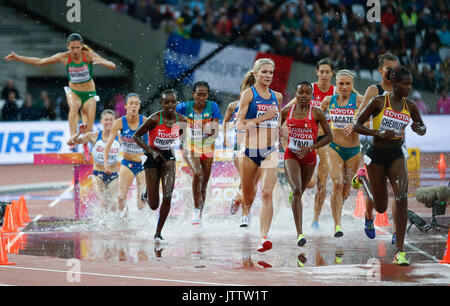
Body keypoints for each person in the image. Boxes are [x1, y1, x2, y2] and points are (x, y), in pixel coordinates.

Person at [353, 65, 426, 266]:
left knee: (402, 196)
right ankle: (362, 178)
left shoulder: (410, 106)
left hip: (396, 154)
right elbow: (357, 125)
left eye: (411, 84)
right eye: (405, 84)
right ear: (393, 83)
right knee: (381, 207)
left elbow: (422, 128)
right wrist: (376, 133)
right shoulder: (378, 102)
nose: (409, 88)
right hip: (376, 155)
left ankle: (399, 252)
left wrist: (418, 127)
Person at [4, 33, 116, 143]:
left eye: (77, 48)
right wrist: (19, 58)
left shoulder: (88, 56)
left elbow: (113, 66)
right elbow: (40, 61)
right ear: (68, 46)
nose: (75, 51)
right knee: (74, 106)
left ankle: (86, 144)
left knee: (88, 130)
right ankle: (73, 137)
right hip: (74, 92)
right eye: (72, 48)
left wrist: (103, 62)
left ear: (81, 46)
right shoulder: (64, 57)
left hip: (89, 93)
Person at [236, 58, 282, 252]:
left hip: (270, 151)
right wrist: (263, 117)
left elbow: (277, 121)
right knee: (249, 197)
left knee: (266, 193)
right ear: (256, 74)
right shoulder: (249, 94)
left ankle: (264, 237)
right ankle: (239, 198)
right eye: (264, 72)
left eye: (271, 72)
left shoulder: (277, 97)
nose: (268, 76)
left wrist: (283, 130)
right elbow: (239, 124)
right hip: (249, 152)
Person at [284, 58, 336, 231]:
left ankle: (315, 219)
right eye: (321, 71)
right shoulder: (308, 89)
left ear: (332, 74)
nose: (324, 75)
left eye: (327, 72)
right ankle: (297, 192)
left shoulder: (337, 91)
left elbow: (358, 99)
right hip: (304, 140)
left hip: (322, 142)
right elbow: (290, 108)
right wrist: (283, 128)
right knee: (310, 183)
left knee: (323, 180)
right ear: (317, 72)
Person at [280, 81, 332, 247]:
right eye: (300, 92)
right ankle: (300, 234)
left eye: (307, 93)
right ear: (295, 94)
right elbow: (279, 129)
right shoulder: (286, 111)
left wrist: (311, 147)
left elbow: (329, 137)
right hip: (291, 154)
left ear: (311, 95)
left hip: (309, 156)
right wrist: (281, 145)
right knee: (296, 190)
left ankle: (295, 198)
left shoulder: (316, 113)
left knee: (302, 190)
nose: (303, 96)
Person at [132, 89, 187, 244]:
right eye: (166, 102)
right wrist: (151, 151)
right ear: (161, 104)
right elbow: (135, 136)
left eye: (173, 102)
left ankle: (158, 233)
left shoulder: (181, 119)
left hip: (168, 157)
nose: (170, 105)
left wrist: (183, 145)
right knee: (154, 205)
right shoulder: (154, 119)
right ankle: (147, 192)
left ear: (177, 103)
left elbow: (182, 138)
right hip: (152, 157)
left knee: (168, 195)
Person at [358, 52, 400, 244]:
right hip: (375, 146)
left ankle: (396, 231)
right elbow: (359, 120)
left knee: (400, 192)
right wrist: (378, 125)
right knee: (376, 195)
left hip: (397, 147)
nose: (393, 73)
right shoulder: (373, 91)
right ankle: (368, 216)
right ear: (380, 70)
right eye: (388, 69)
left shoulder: (401, 89)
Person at [321, 70, 363, 238]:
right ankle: (337, 224)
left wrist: (355, 124)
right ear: (336, 85)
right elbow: (317, 116)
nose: (344, 87)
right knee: (337, 183)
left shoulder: (359, 101)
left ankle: (339, 205)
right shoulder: (328, 100)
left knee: (346, 189)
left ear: (352, 85)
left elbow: (370, 120)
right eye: (341, 84)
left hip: (353, 151)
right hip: (334, 148)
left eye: (347, 84)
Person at [176, 81, 221, 226]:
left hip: (208, 148)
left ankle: (199, 216)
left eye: (204, 95)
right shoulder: (184, 107)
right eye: (198, 94)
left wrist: (204, 128)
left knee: (204, 184)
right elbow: (169, 114)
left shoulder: (213, 106)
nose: (201, 98)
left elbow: (214, 132)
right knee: (198, 173)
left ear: (208, 95)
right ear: (193, 94)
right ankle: (195, 210)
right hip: (190, 148)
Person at [67, 110, 121, 213]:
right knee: (102, 202)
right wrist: (79, 133)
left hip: (113, 175)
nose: (108, 122)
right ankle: (101, 225)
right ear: (101, 121)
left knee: (114, 204)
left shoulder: (119, 137)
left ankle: (115, 226)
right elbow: (70, 142)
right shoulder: (94, 136)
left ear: (115, 122)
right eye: (106, 120)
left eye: (111, 120)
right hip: (98, 175)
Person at [104, 93, 147, 217]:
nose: (133, 106)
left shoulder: (145, 121)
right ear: (126, 106)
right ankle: (126, 218)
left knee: (141, 201)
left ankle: (142, 224)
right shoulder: (119, 123)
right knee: (121, 198)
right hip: (127, 163)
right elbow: (108, 145)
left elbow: (153, 143)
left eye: (136, 104)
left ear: (139, 106)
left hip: (143, 165)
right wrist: (106, 164)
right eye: (131, 104)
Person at [223, 76, 258, 224]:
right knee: (247, 181)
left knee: (252, 184)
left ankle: (240, 199)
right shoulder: (233, 106)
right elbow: (225, 121)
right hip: (240, 149)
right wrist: (225, 137)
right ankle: (245, 214)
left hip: (257, 148)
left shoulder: (260, 106)